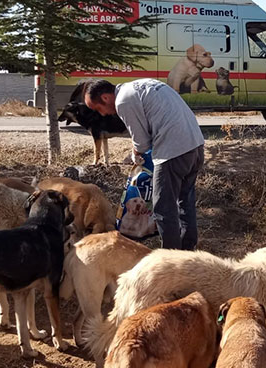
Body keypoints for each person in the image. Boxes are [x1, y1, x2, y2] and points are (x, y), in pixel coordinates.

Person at [85, 79, 205, 250]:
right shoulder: (142, 85)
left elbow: (142, 143)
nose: (102, 114)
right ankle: (188, 252)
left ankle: (170, 260)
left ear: (105, 98)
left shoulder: (123, 100)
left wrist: (135, 154)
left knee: (163, 208)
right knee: (184, 202)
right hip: (195, 146)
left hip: (173, 151)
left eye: (98, 109)